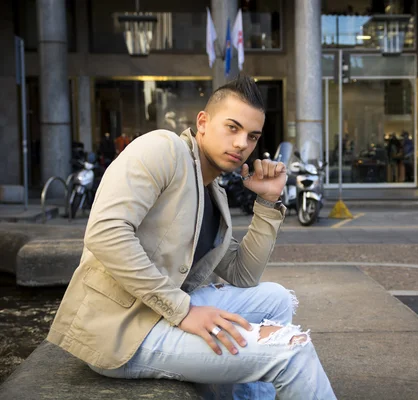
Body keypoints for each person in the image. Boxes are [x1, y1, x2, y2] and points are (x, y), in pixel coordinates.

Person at [46, 75, 336, 400]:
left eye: (252, 136)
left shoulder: (214, 191)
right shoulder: (163, 149)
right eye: (232, 127)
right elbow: (105, 233)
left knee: (277, 298)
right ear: (203, 122)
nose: (242, 143)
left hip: (158, 311)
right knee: (292, 351)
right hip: (123, 327)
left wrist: (268, 202)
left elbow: (244, 274)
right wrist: (183, 311)